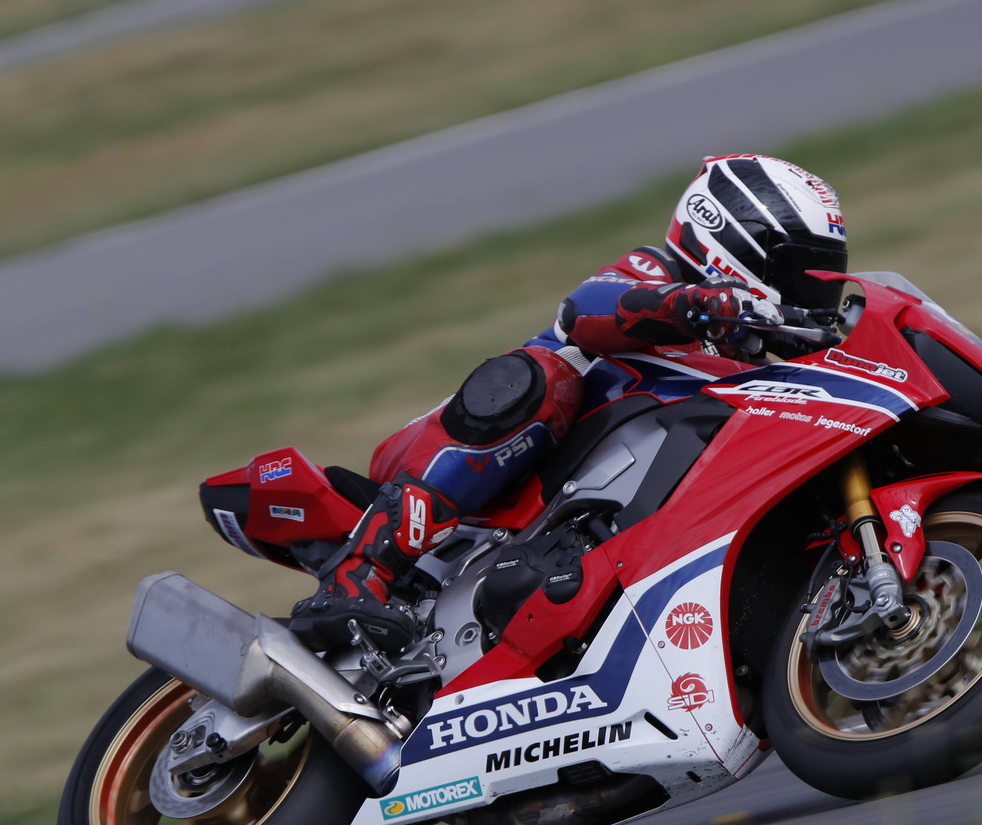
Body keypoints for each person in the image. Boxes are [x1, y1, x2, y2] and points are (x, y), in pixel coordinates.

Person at [285, 153, 851, 652]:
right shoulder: (656, 274)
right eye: (802, 275)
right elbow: (582, 311)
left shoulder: (753, 368)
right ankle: (359, 574)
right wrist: (704, 304)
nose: (812, 298)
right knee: (546, 374)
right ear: (730, 240)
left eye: (825, 281)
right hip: (475, 471)